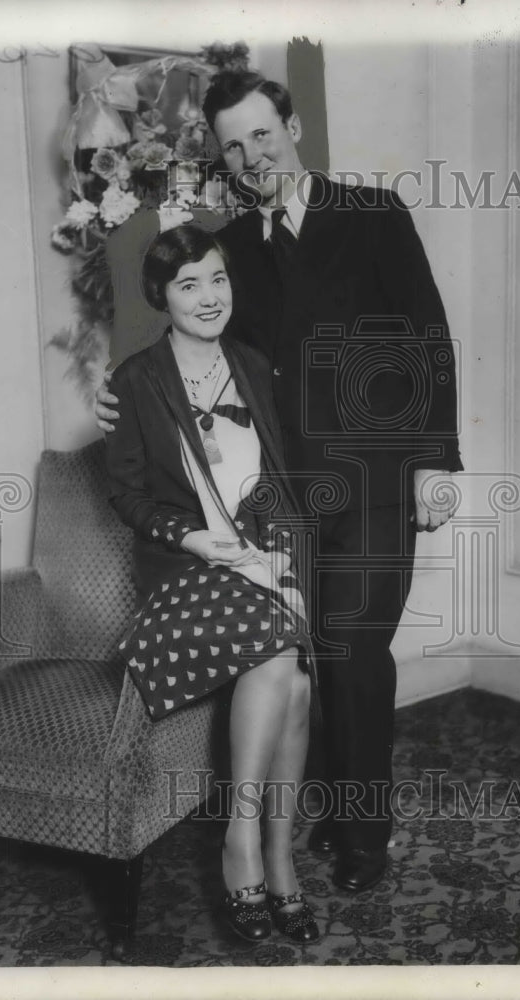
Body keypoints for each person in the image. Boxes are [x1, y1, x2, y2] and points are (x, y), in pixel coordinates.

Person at [98, 70, 463, 895]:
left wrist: (438, 461)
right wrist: (114, 391)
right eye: (232, 143)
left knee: (356, 650)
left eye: (262, 133)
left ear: (291, 126)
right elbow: (198, 344)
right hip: (285, 498)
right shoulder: (231, 249)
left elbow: (428, 338)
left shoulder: (372, 216)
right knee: (308, 655)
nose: (250, 153)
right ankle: (325, 814)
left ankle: (363, 834)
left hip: (376, 479)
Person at [105, 224, 319, 944]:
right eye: (188, 283)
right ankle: (246, 841)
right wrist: (194, 537)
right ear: (161, 297)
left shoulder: (254, 365)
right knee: (279, 653)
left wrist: (278, 555)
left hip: (261, 560)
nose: (208, 296)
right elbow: (128, 497)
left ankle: (272, 856)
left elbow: (280, 478)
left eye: (218, 278)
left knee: (294, 679)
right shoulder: (135, 380)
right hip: (185, 574)